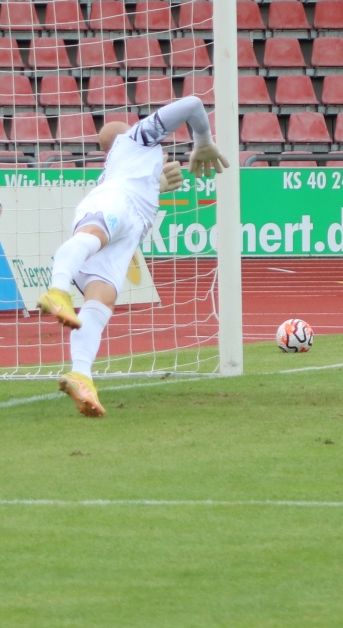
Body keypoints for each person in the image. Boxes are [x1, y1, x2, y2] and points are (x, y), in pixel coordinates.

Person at [35, 95, 226, 418]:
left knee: (101, 301)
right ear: (125, 134)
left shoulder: (123, 167)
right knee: (91, 237)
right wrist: (204, 141)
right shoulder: (136, 137)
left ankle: (81, 375)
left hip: (132, 224)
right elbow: (193, 104)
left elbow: (139, 186)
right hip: (117, 203)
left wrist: (158, 184)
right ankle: (57, 290)